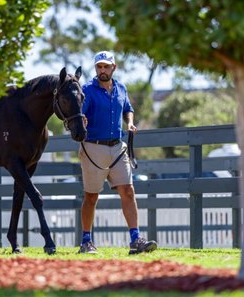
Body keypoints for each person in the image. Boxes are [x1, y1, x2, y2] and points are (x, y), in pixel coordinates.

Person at [78, 50, 158, 254]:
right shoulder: (87, 89)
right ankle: (86, 241)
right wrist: (82, 120)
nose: (102, 70)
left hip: (118, 147)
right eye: (99, 66)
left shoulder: (121, 88)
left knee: (128, 191)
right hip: (93, 147)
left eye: (106, 66)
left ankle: (135, 240)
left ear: (114, 67)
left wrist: (130, 123)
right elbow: (79, 114)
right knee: (91, 196)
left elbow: (128, 108)